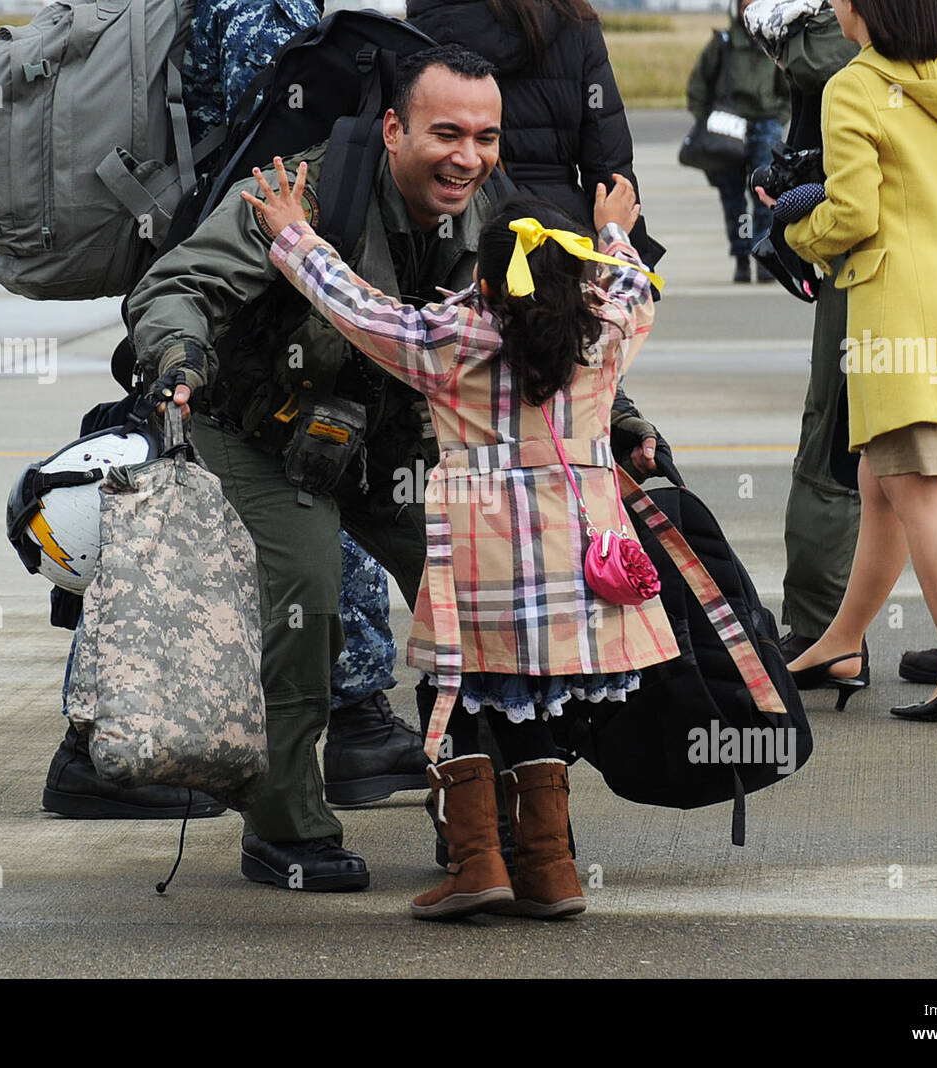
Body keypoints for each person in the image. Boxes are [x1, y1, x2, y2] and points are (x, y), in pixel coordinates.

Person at [128, 45, 669, 891]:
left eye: (486, 136)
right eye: (446, 133)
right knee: (305, 594)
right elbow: (177, 283)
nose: (468, 156)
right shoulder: (292, 195)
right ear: (392, 129)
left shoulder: (496, 208)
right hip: (262, 430)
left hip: (394, 441)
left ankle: (481, 837)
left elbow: (551, 334)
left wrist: (627, 422)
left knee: (493, 604)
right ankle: (285, 826)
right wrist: (177, 355)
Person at [245, 156, 674, 918]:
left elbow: (359, 309)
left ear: (488, 278)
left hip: (481, 564)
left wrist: (293, 235)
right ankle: (550, 871)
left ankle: (478, 863)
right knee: (539, 706)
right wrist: (615, 228)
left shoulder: (453, 341)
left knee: (460, 696)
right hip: (576, 573)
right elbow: (632, 283)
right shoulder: (605, 334)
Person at [39, 0, 430, 820]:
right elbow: (285, 147)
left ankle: (361, 726)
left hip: (304, 335)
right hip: (251, 301)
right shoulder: (266, 14)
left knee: (315, 559)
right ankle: (109, 752)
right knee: (217, 563)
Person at [752, 0, 937, 690]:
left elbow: (853, 211)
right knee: (881, 487)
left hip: (894, 326)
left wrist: (792, 232)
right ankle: (842, 643)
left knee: (916, 494)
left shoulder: (855, 84)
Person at [406, 0, 666, 272]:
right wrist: (631, 260)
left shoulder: (421, 23)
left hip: (451, 230)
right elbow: (607, 163)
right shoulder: (572, 19)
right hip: (558, 235)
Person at [687, 0, 791, 283]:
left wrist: (777, 118)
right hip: (728, 129)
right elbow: (698, 86)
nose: (749, 10)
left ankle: (764, 257)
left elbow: (790, 86)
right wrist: (706, 121)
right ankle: (742, 257)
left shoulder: (775, 43)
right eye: (744, 5)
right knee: (732, 198)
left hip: (764, 125)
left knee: (764, 194)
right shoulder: (722, 44)